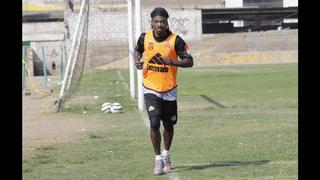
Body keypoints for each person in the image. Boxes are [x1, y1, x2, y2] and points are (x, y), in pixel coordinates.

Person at [134, 7, 193, 175]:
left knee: (168, 125)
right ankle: (158, 159)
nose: (159, 24)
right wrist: (137, 60)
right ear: (151, 23)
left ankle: (166, 154)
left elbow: (190, 61)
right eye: (156, 21)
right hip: (150, 88)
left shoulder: (176, 40)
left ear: (167, 22)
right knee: (153, 123)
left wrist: (173, 62)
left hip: (169, 89)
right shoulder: (145, 38)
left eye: (163, 21)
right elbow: (138, 50)